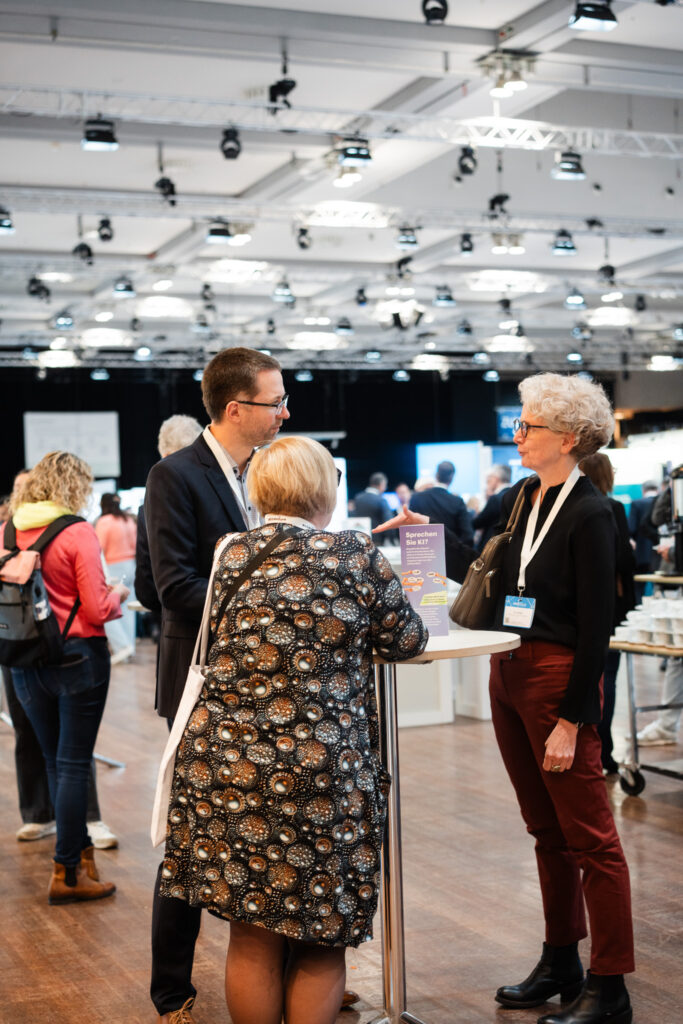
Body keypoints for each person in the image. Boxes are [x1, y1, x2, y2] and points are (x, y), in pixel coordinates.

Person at [376, 373, 634, 1024]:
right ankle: (560, 958)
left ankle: (610, 985)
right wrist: (427, 530)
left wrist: (573, 720)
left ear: (568, 438)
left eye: (528, 426)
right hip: (509, 668)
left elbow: (597, 627)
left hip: (556, 677)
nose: (516, 435)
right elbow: (491, 570)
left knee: (591, 839)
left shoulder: (592, 512)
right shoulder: (524, 496)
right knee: (544, 829)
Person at [158, 435, 428, 1024]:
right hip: (322, 773)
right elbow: (408, 639)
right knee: (321, 937)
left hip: (228, 766)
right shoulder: (354, 554)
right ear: (325, 489)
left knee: (251, 935)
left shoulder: (230, 552)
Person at [145, 347, 292, 1024]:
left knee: (268, 835)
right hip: (199, 684)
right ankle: (171, 992)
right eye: (275, 401)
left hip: (263, 685)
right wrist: (269, 601)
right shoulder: (174, 476)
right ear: (237, 409)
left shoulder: (266, 472)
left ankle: (289, 975)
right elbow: (173, 587)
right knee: (189, 838)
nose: (285, 412)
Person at [3, 451, 129, 903]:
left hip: (22, 658)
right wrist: (119, 594)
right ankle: (67, 872)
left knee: (55, 761)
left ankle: (80, 855)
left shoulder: (8, 529)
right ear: (75, 486)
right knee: (74, 763)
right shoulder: (77, 531)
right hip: (77, 657)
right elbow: (96, 608)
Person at [579, 453, 636, 774]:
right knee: (607, 676)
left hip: (578, 607)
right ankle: (604, 752)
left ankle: (589, 751)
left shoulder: (574, 508)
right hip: (610, 607)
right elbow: (625, 560)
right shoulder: (612, 508)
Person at [135, 415, 203, 622]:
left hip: (177, 624)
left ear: (164, 455)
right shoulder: (224, 490)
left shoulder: (150, 505)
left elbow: (147, 589)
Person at [95, 493, 137, 664]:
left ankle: (122, 647)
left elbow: (98, 548)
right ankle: (129, 646)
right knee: (128, 609)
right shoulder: (127, 520)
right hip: (131, 565)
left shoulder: (104, 521)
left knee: (107, 607)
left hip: (113, 567)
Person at [409, 460, 474, 544]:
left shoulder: (416, 498)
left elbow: (410, 530)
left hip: (423, 550)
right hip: (451, 551)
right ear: (451, 477)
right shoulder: (457, 502)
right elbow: (467, 536)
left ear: (436, 475)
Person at [628, 480, 659, 604]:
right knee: (659, 589)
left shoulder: (637, 504)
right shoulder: (661, 502)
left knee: (638, 590)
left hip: (641, 553)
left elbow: (631, 528)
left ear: (643, 490)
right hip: (659, 553)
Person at [472, 463, 511, 550]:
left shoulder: (496, 498)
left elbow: (478, 522)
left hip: (493, 546)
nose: (487, 484)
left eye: (488, 481)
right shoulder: (518, 495)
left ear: (495, 479)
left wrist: (476, 514)